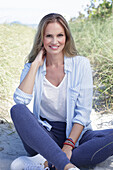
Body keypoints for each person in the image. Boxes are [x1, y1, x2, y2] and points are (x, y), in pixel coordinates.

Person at [10, 13, 113, 170]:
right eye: (49, 36)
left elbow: (83, 113)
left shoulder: (81, 64)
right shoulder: (32, 67)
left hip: (76, 135)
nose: (54, 41)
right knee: (17, 110)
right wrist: (36, 64)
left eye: (59, 35)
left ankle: (46, 162)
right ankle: (65, 166)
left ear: (67, 37)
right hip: (44, 135)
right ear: (41, 39)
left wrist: (69, 144)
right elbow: (21, 100)